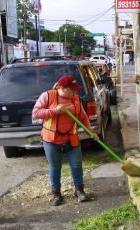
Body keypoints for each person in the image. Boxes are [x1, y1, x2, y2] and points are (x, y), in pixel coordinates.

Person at [32, 75, 98, 206]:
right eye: (72, 89)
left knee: (77, 165)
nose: (75, 91)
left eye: (76, 89)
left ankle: (79, 191)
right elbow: (36, 113)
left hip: (71, 139)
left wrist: (90, 132)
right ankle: (56, 194)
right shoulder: (48, 96)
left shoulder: (76, 99)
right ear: (62, 88)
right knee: (55, 167)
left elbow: (83, 118)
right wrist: (54, 111)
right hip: (51, 140)